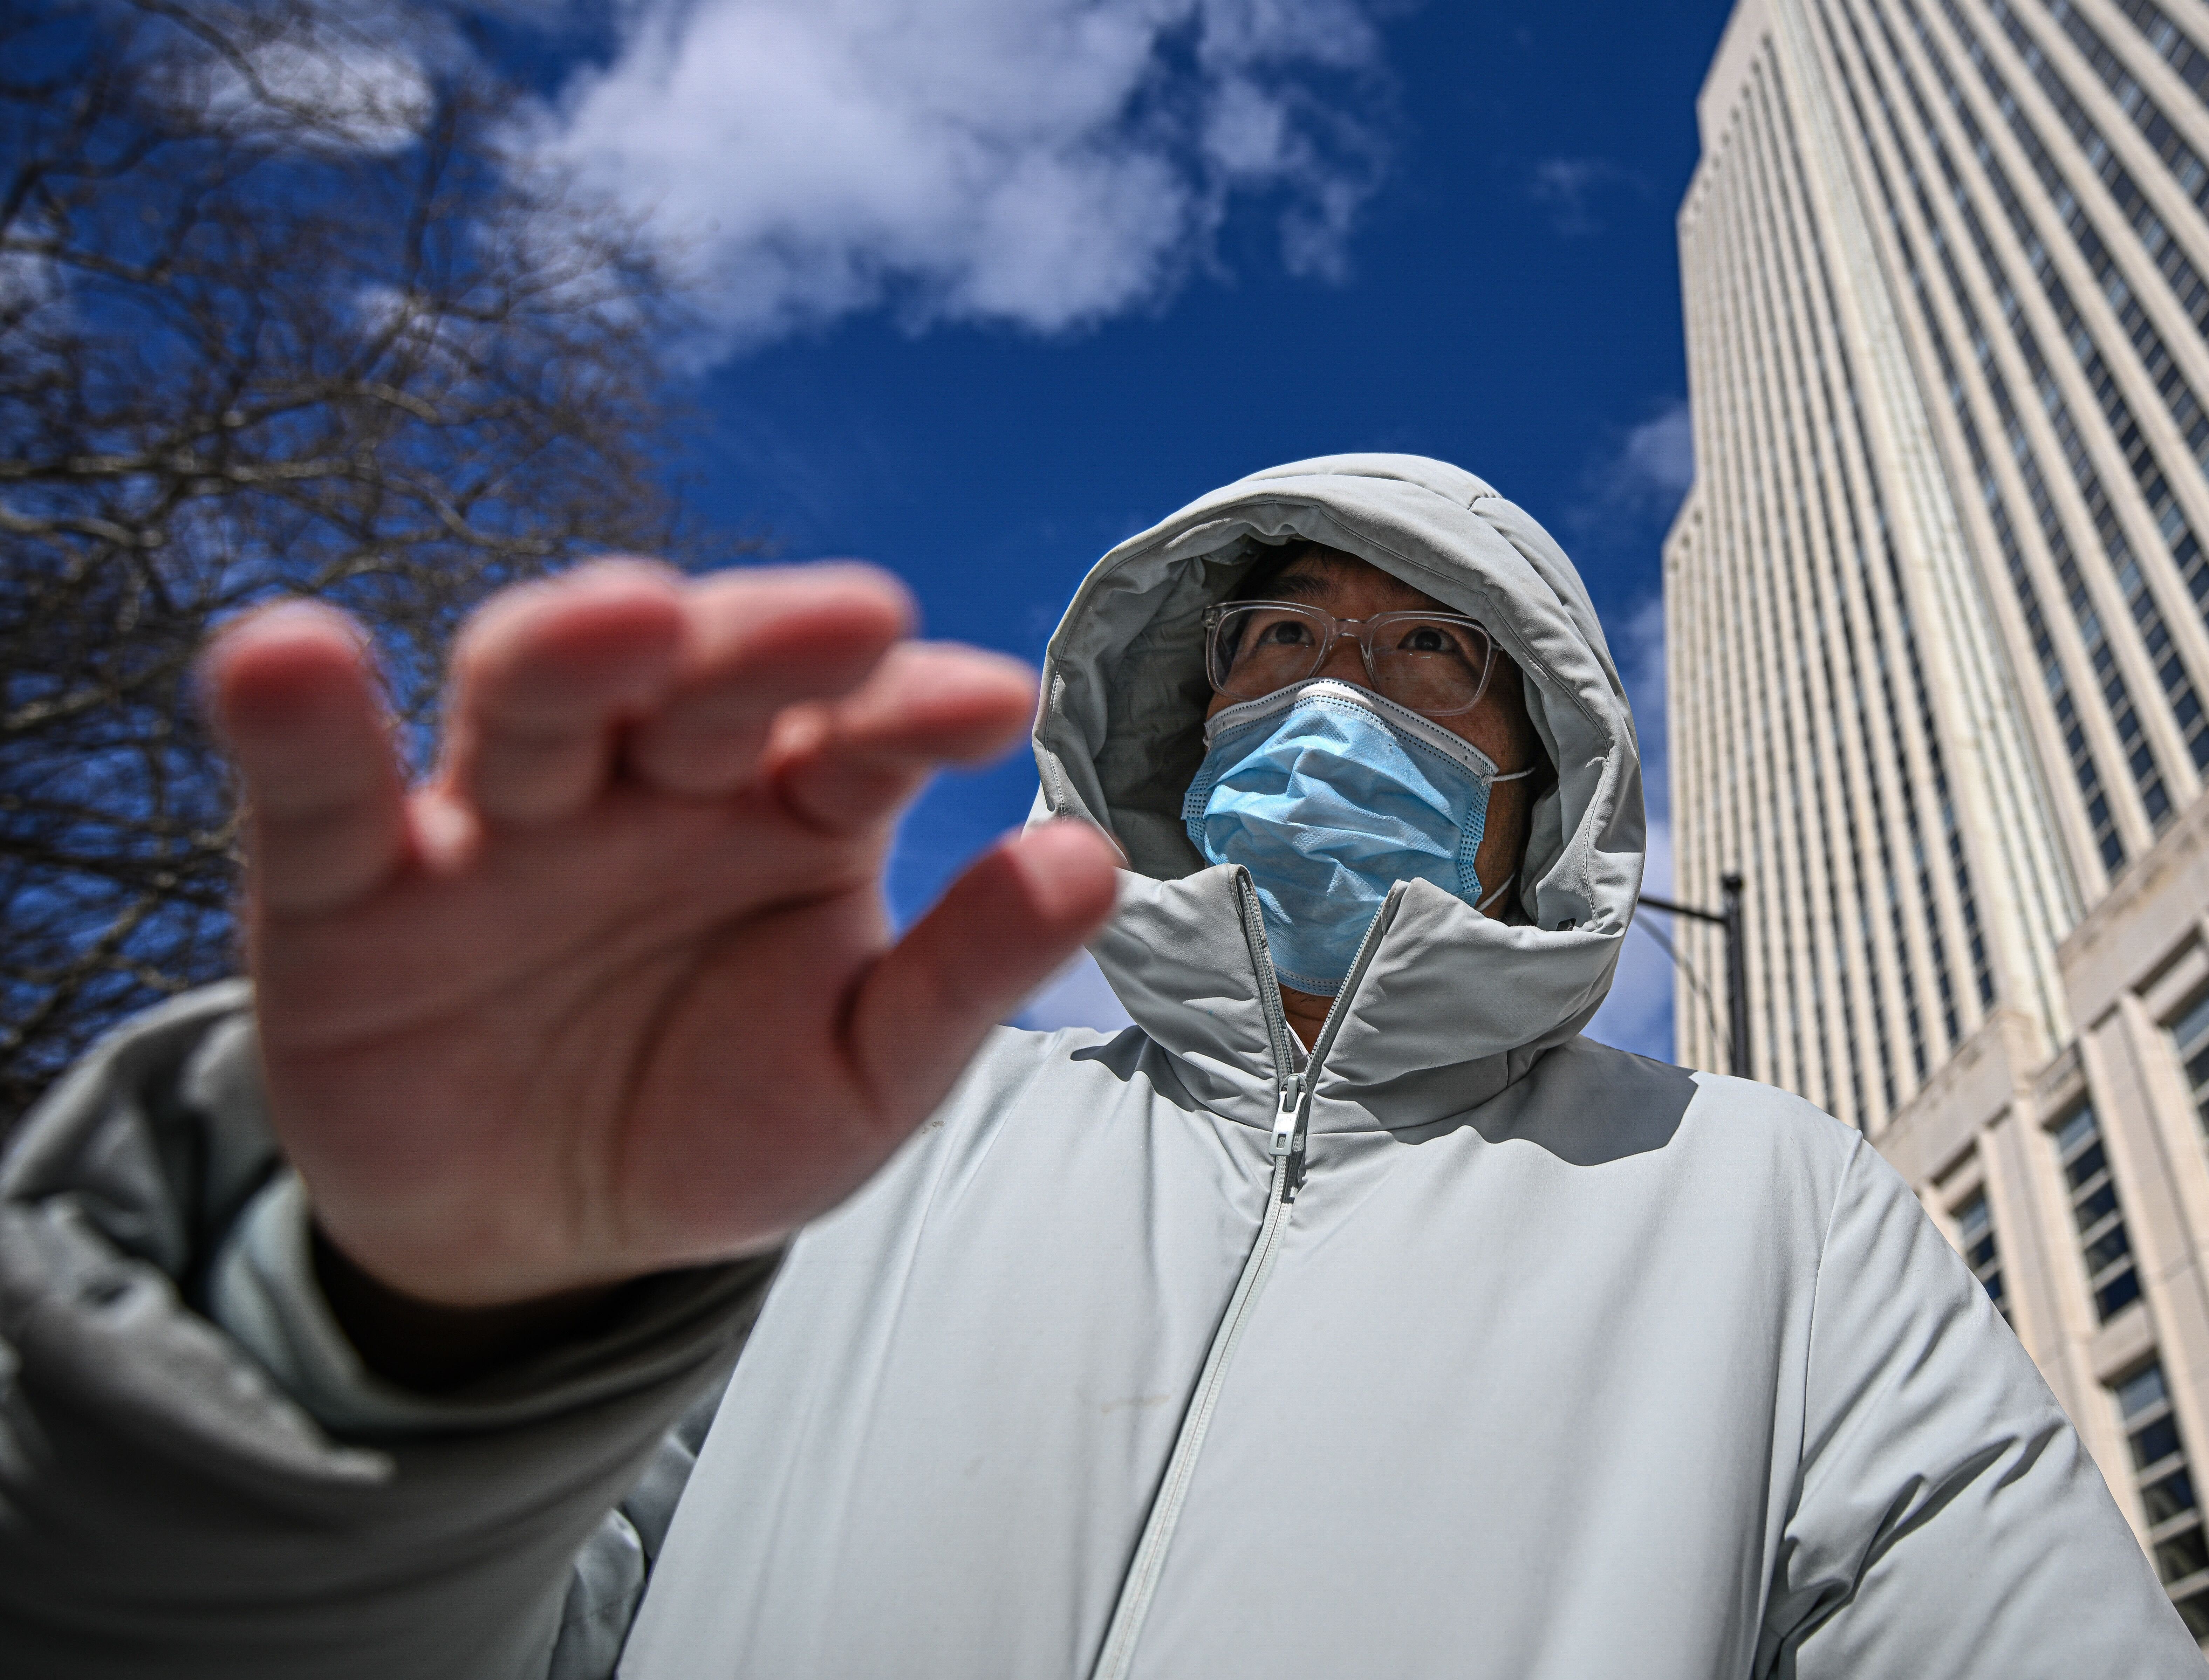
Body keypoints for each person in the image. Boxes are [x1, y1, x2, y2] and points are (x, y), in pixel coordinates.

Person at [0, 454, 2196, 1679]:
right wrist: (390, 1334)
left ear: (1545, 788)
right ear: (1188, 735)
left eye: (1433, 652)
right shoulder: (874, 1144)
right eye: (1281, 638)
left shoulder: (1769, 1207)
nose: (1343, 685)